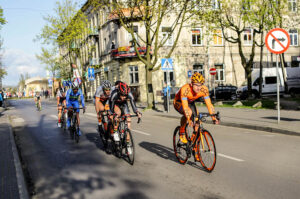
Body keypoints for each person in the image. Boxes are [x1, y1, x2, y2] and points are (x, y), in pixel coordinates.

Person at [173, 72, 219, 149]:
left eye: (200, 85)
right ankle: (182, 132)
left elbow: (209, 104)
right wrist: (188, 119)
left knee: (198, 122)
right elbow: (185, 107)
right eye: (196, 85)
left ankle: (195, 149)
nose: (199, 87)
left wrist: (214, 118)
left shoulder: (204, 90)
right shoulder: (185, 89)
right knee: (189, 113)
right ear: (191, 84)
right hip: (179, 102)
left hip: (190, 102)